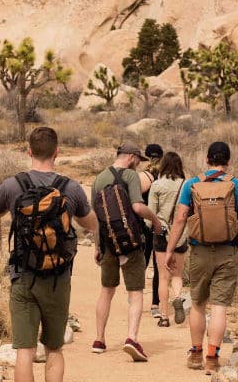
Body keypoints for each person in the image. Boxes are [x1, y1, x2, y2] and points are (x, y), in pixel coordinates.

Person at [0, 127, 98, 382]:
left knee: (24, 351)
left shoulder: (13, 185)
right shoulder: (71, 188)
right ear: (57, 152)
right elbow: (91, 223)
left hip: (24, 276)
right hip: (58, 277)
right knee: (54, 348)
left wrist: (10, 206)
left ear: (29, 151)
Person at [165, 141, 238, 375]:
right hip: (228, 252)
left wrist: (169, 249)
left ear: (207, 160)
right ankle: (212, 357)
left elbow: (179, 220)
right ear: (228, 162)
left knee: (197, 303)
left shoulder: (192, 185)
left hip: (199, 251)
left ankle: (195, 354)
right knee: (219, 306)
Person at [92, 142, 163, 362]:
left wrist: (97, 245)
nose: (137, 163)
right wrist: (155, 220)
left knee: (107, 290)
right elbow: (137, 207)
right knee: (135, 292)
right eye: (137, 160)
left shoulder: (99, 178)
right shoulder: (131, 176)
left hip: (107, 243)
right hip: (130, 242)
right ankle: (131, 338)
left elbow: (95, 217)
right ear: (131, 157)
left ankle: (99, 340)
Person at [146, 152, 187, 327]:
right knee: (177, 275)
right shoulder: (186, 185)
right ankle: (178, 297)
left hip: (161, 234)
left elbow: (150, 215)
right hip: (180, 235)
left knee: (163, 277)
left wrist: (152, 227)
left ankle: (163, 317)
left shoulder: (156, 185)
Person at [138, 143, 164, 318]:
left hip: (144, 224)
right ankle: (156, 303)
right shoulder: (165, 178)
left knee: (142, 261)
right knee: (158, 265)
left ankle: (136, 298)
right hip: (161, 224)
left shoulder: (141, 177)